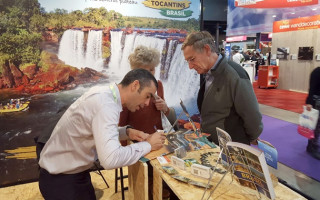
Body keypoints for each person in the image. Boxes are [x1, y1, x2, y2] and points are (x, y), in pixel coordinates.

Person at [38, 69, 166, 200]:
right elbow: (110, 159)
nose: (147, 103)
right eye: (147, 96)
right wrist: (148, 145)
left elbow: (94, 130)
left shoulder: (104, 93)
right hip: (63, 181)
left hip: (67, 174)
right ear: (135, 86)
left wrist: (126, 132)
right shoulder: (106, 105)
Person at [181, 31, 263, 145]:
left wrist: (249, 138)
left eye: (192, 59)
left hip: (231, 149)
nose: (190, 66)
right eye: (188, 61)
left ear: (207, 49)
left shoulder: (234, 75)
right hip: (214, 145)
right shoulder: (209, 73)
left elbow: (252, 115)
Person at [119, 45, 176, 134]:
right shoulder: (130, 89)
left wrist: (165, 108)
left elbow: (164, 114)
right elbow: (122, 124)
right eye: (145, 71)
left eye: (152, 69)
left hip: (159, 139)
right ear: (135, 70)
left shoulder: (159, 85)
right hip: (137, 141)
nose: (150, 74)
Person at [306, 67, 320, 160]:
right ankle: (311, 146)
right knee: (315, 127)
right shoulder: (317, 72)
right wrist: (309, 102)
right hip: (316, 102)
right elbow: (311, 89)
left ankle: (313, 144)